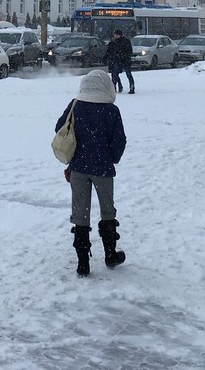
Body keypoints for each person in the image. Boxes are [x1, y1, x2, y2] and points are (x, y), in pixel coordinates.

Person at [54, 69, 127, 277]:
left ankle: (83, 262)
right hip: (103, 168)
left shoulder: (76, 105)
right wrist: (111, 156)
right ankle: (110, 254)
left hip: (78, 167)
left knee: (80, 213)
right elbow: (119, 140)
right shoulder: (112, 111)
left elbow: (60, 127)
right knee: (107, 210)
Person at [104, 28, 134, 94]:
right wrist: (105, 58)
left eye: (117, 35)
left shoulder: (126, 41)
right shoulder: (112, 42)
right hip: (116, 60)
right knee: (114, 74)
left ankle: (132, 87)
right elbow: (108, 51)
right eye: (115, 35)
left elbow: (129, 52)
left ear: (121, 35)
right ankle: (114, 87)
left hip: (125, 60)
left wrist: (123, 56)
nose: (116, 36)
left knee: (128, 74)